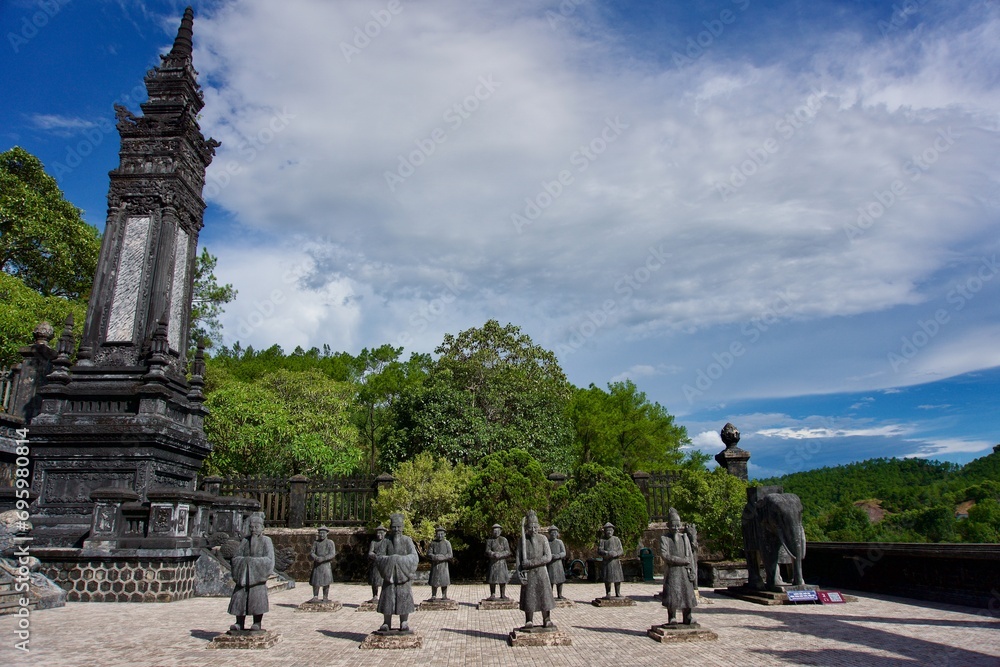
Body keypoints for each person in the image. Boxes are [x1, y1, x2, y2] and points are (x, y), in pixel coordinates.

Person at [227, 512, 274, 632]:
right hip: (243, 576)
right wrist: (244, 562)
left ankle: (257, 623)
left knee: (257, 599)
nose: (253, 529)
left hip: (257, 578)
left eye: (256, 527)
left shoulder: (266, 541)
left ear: (262, 528)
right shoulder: (245, 541)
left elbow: (269, 560)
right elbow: (236, 557)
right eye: (251, 527)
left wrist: (252, 563)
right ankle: (239, 622)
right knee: (240, 598)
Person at [373, 513, 418, 632]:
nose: (396, 529)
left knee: (403, 597)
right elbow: (379, 557)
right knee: (388, 598)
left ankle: (404, 622)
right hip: (389, 576)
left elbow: (414, 557)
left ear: (402, 527)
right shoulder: (386, 541)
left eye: (398, 527)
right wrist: (391, 560)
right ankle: (386, 622)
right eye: (394, 527)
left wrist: (399, 560)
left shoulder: (407, 540)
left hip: (403, 576)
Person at [516, 510, 555, 629]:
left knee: (545, 597)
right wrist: (519, 573)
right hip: (529, 574)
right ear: (527, 528)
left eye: (535, 526)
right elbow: (519, 558)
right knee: (529, 598)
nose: (533, 529)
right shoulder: (523, 540)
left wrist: (531, 563)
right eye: (531, 527)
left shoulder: (543, 539)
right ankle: (529, 620)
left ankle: (547, 619)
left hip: (542, 572)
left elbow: (548, 557)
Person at [660, 507, 698, 625]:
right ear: (668, 525)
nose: (676, 528)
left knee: (687, 594)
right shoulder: (665, 539)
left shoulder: (684, 538)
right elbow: (665, 555)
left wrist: (692, 570)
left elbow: (690, 555)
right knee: (672, 595)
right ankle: (672, 617)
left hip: (684, 571)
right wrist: (681, 561)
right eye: (673, 525)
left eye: (678, 525)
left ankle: (688, 616)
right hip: (673, 571)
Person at [308, 526, 336, 602]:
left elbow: (332, 554)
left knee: (326, 581)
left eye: (323, 533)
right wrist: (316, 557)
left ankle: (325, 596)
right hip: (317, 565)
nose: (322, 535)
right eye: (320, 533)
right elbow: (312, 552)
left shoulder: (330, 542)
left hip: (326, 565)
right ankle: (315, 596)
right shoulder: (316, 542)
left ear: (327, 533)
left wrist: (323, 558)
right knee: (316, 581)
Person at [597, 522, 624, 598]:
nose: (609, 532)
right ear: (605, 531)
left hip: (615, 561)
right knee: (607, 578)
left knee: (618, 578)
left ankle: (618, 592)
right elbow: (599, 550)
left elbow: (621, 550)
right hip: (607, 562)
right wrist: (607, 553)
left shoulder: (616, 539)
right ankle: (608, 593)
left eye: (610, 530)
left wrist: (616, 553)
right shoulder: (602, 540)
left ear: (613, 531)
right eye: (607, 530)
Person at [485, 524, 511, 600]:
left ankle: (503, 594)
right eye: (494, 531)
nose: (496, 532)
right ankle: (492, 594)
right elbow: (487, 551)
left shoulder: (504, 540)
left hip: (502, 562)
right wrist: (493, 554)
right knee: (492, 579)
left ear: (500, 531)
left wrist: (500, 555)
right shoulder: (489, 541)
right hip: (493, 562)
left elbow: (508, 551)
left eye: (498, 531)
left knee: (502, 579)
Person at [427, 526, 453, 600]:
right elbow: (429, 553)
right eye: (438, 534)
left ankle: (444, 595)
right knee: (434, 580)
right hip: (435, 565)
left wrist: (443, 557)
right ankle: (433, 595)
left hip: (444, 565)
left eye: (441, 534)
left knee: (444, 580)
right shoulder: (433, 543)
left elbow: (450, 554)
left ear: (444, 534)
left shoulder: (447, 543)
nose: (440, 536)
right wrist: (434, 557)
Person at [367, 525, 388, 601]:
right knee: (374, 580)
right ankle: (375, 595)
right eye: (377, 533)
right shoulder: (374, 542)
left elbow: (390, 552)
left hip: (384, 563)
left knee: (385, 580)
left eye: (381, 533)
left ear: (384, 533)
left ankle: (385, 596)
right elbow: (370, 552)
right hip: (375, 563)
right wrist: (375, 556)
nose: (379, 534)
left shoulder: (387, 542)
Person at [547, 525, 567, 599]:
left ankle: (560, 594)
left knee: (560, 580)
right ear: (550, 533)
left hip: (558, 564)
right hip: (550, 564)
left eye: (555, 532)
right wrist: (550, 556)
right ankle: (550, 595)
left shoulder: (560, 542)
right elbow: (545, 552)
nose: (554, 534)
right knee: (550, 580)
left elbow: (564, 552)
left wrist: (558, 555)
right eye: (552, 532)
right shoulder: (547, 542)